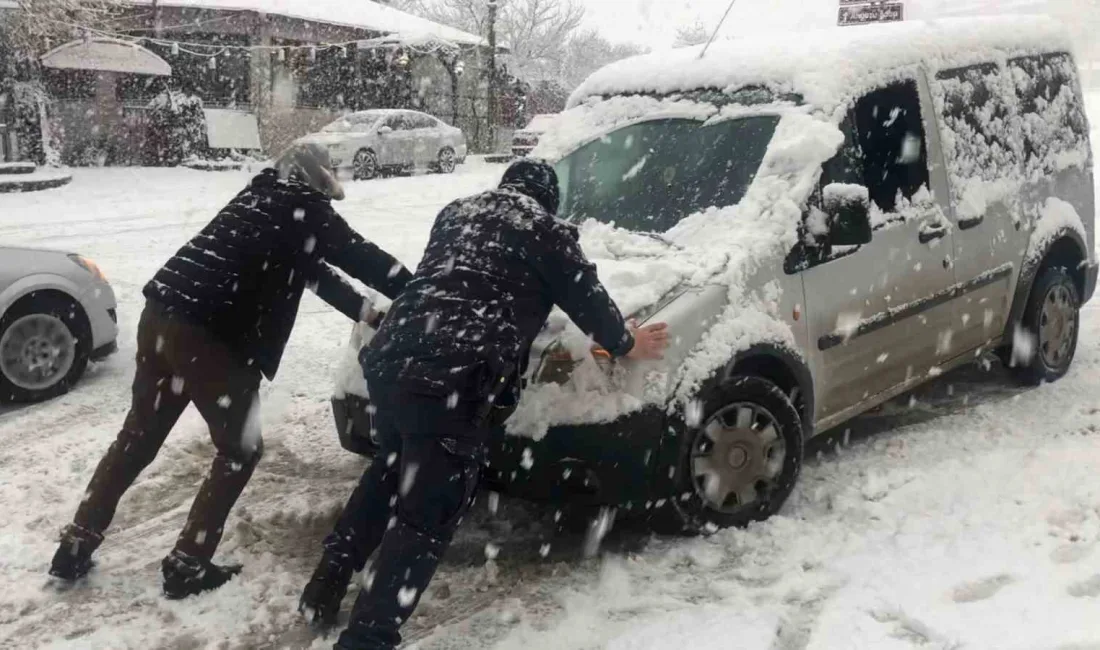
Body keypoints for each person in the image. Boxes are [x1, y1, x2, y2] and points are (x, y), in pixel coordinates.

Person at [299, 159, 670, 649]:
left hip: (391, 361)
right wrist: (626, 343)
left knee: (389, 472)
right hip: (451, 377)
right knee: (424, 517)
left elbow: (457, 282)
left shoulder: (457, 214)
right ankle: (368, 639)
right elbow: (588, 301)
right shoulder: (544, 229)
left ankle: (324, 587)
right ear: (548, 199)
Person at [48, 143, 412, 600]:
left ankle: (76, 543)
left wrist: (370, 314)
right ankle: (188, 564)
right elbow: (362, 257)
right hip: (211, 337)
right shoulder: (303, 208)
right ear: (315, 183)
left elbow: (314, 274)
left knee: (137, 438)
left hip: (160, 318)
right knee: (240, 450)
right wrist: (421, 288)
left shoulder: (257, 200)